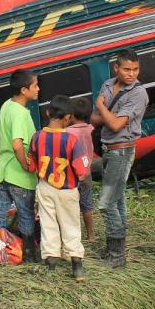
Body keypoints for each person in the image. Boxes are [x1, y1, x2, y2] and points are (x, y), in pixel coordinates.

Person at [92, 49, 148, 269]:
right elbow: (94, 120)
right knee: (117, 201)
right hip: (108, 149)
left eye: (135, 69)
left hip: (122, 151)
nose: (131, 74)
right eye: (127, 69)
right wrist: (108, 116)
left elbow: (115, 125)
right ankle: (117, 251)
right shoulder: (107, 84)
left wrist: (101, 107)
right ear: (116, 68)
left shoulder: (138, 93)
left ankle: (116, 256)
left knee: (106, 203)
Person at [28, 95, 91, 281]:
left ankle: (51, 266)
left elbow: (31, 165)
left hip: (45, 187)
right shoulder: (71, 140)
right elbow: (81, 169)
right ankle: (77, 267)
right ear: (68, 117)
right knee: (71, 224)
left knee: (48, 224)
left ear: (48, 112)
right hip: (67, 190)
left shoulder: (36, 137)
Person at [0, 69, 39, 261]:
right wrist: (25, 165)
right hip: (19, 175)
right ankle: (30, 257)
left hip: (4, 171)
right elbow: (17, 144)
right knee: (26, 215)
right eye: (35, 86)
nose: (38, 89)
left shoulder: (7, 105)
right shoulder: (21, 113)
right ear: (24, 90)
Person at [68, 96, 96, 241]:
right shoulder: (91, 129)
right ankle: (91, 234)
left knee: (71, 206)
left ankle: (75, 236)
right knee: (87, 205)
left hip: (72, 174)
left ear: (71, 115)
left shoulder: (67, 132)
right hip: (86, 173)